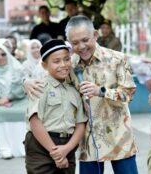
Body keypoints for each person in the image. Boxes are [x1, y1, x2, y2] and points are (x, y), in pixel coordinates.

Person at [24, 15, 138, 174]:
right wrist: (26, 82)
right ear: (68, 41)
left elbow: (129, 93)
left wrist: (100, 91)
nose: (82, 46)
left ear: (96, 35)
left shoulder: (117, 59)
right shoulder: (70, 63)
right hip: (88, 141)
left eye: (85, 40)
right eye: (75, 43)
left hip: (119, 137)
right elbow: (45, 74)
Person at [25, 39, 87, 174]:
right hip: (41, 145)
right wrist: (56, 153)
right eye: (56, 61)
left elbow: (80, 124)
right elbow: (35, 122)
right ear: (44, 65)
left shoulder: (74, 91)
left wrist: (66, 149)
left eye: (66, 59)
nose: (63, 65)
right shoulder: (39, 87)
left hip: (68, 145)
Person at [0, 40, 28, 159]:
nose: (0, 57)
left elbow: (23, 87)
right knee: (1, 112)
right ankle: (5, 149)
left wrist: (9, 98)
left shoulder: (17, 67)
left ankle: (23, 148)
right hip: (1, 102)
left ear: (7, 54)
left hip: (19, 100)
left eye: (3, 54)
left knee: (25, 111)